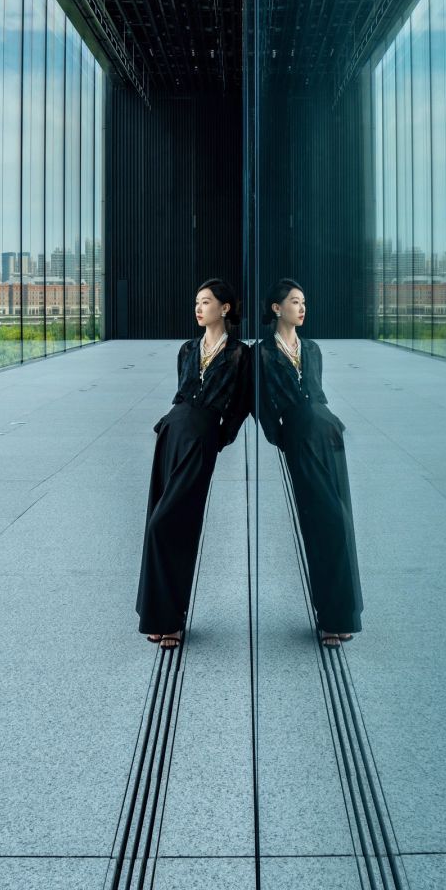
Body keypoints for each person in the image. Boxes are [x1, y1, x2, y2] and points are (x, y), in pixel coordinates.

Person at [136, 278, 252, 649]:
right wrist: (166, 426)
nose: (198, 308)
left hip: (202, 439)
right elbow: (182, 392)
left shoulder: (240, 354)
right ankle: (161, 617)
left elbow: (243, 404)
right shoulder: (188, 349)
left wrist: (220, 438)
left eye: (206, 302)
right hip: (172, 435)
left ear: (225, 308)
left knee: (171, 524)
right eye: (197, 302)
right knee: (158, 518)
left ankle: (171, 617)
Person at [256, 279, 363, 647]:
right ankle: (329, 616)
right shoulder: (263, 352)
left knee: (340, 521)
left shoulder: (312, 348)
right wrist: (281, 438)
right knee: (322, 522)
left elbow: (318, 393)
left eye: (304, 302)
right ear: (276, 307)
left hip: (327, 436)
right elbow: (261, 406)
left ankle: (341, 615)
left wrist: (331, 424)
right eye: (295, 302)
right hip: (299, 438)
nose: (302, 308)